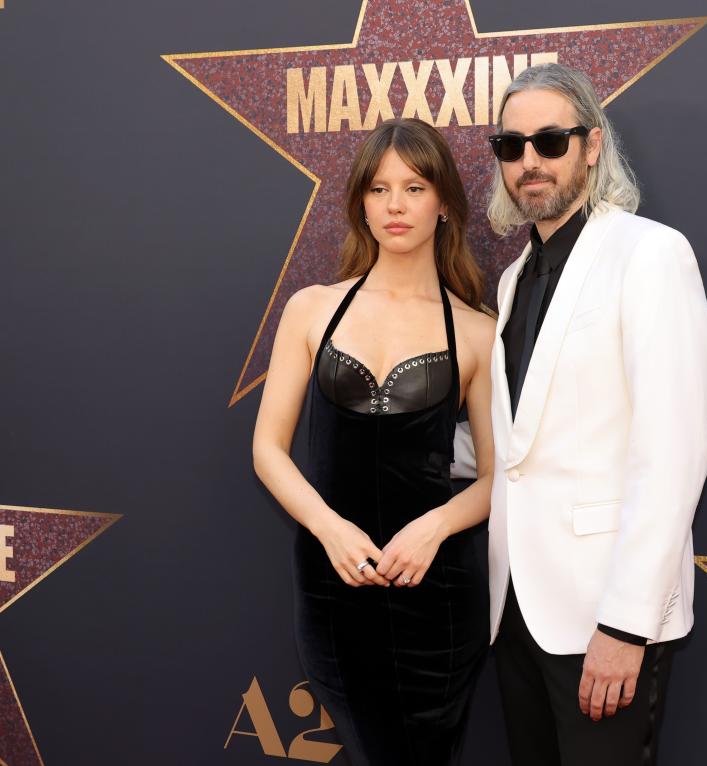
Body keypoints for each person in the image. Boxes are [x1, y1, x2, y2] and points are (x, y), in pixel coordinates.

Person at [484, 63, 707, 764]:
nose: (530, 162)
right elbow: (525, 445)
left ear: (591, 144)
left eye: (550, 141)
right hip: (517, 611)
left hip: (605, 618)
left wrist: (625, 625)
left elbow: (672, 454)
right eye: (511, 145)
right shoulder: (513, 277)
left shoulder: (650, 254)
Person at [252, 118, 497, 766]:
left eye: (414, 187)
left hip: (437, 593)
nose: (395, 204)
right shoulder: (312, 308)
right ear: (360, 200)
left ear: (443, 202)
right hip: (336, 585)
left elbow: (503, 478)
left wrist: (435, 527)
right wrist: (328, 528)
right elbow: (268, 450)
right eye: (380, 188)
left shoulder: (476, 331)